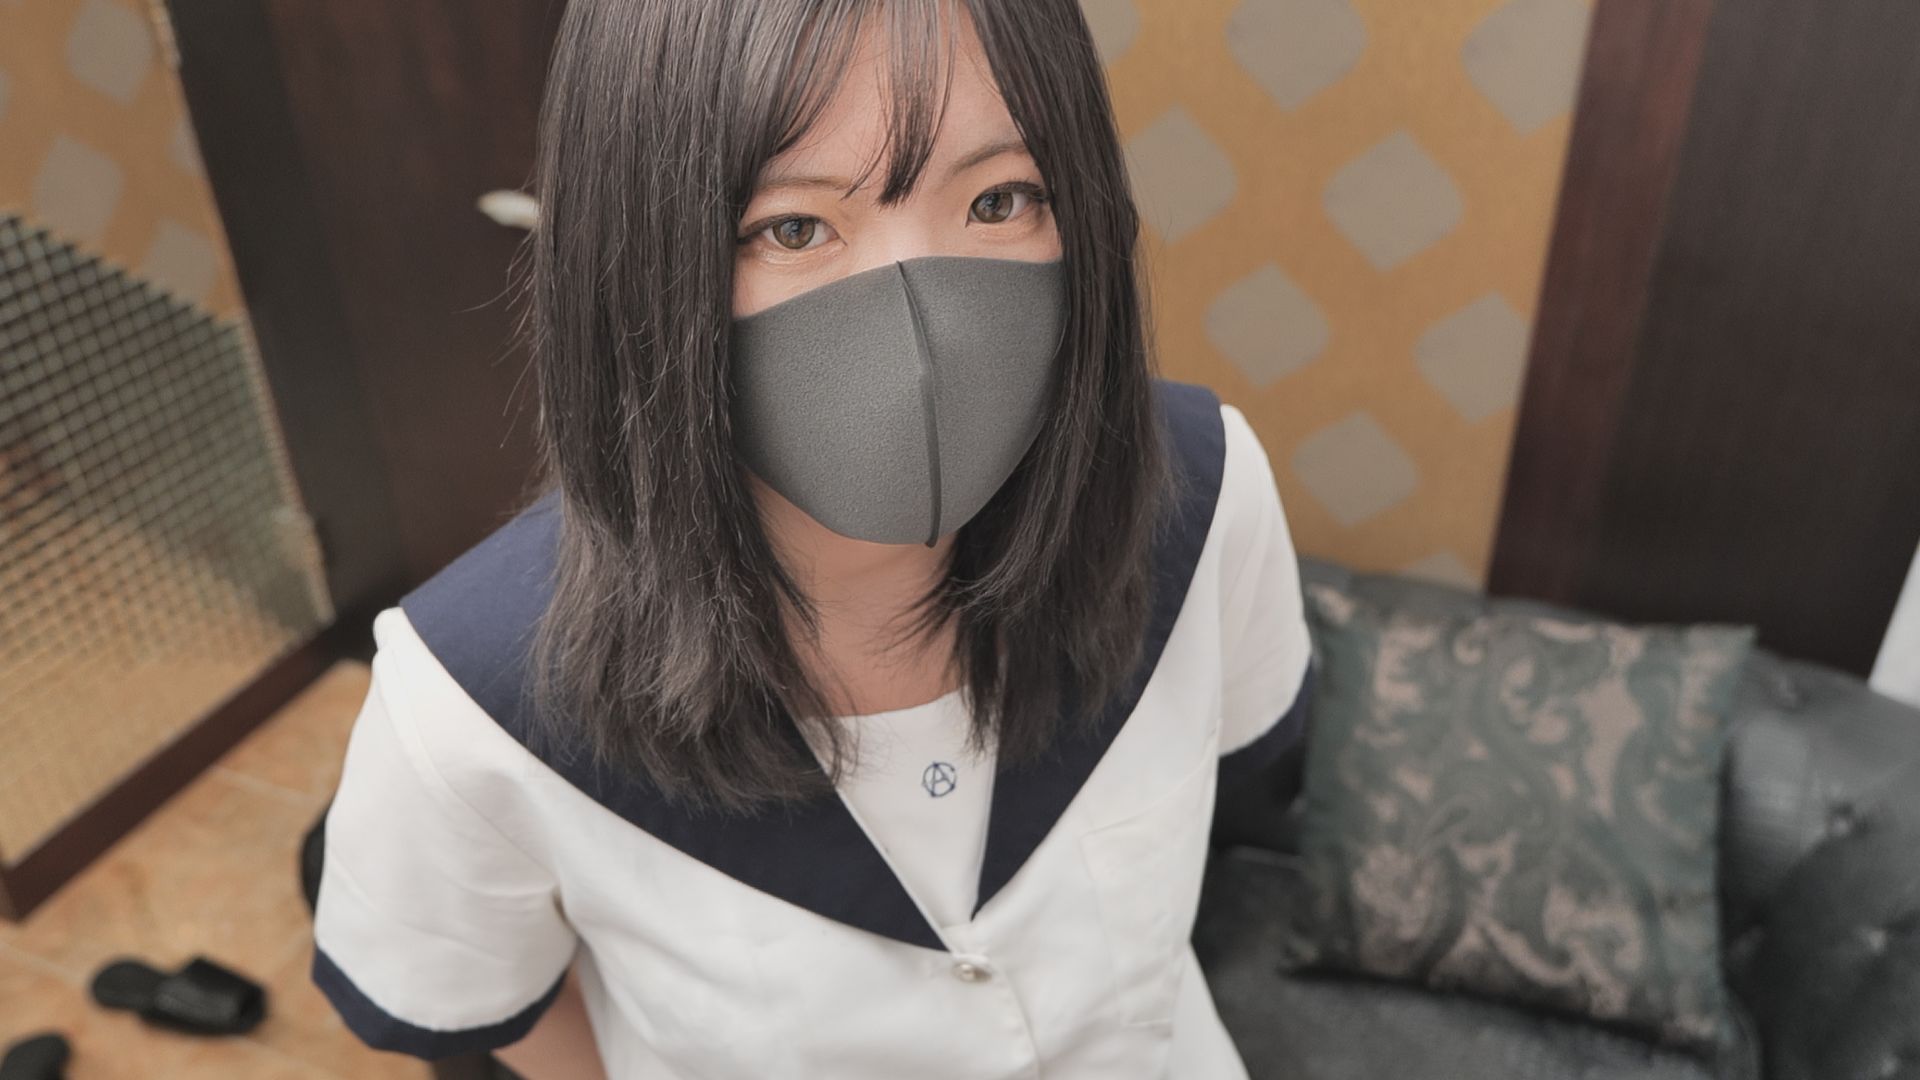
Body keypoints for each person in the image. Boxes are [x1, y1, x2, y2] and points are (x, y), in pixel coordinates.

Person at [308, 0, 1316, 1077]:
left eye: (999, 200)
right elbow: (486, 1000)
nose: (924, 343)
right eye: (793, 229)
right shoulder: (471, 688)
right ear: (637, 262)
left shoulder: (1203, 492)